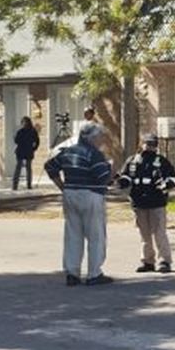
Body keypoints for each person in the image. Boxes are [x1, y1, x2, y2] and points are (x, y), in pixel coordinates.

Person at [44, 121, 114, 286]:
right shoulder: (94, 154)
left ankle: (72, 273)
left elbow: (50, 167)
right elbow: (102, 177)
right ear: (92, 138)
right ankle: (94, 273)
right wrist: (112, 169)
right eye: (99, 137)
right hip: (90, 194)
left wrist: (62, 186)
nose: (101, 140)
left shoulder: (68, 151)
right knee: (95, 235)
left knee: (73, 234)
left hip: (70, 193)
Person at [117, 132, 175, 273]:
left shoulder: (161, 161)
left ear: (156, 146)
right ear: (141, 144)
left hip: (157, 203)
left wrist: (166, 184)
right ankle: (148, 262)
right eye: (148, 143)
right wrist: (123, 182)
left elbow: (172, 178)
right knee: (144, 235)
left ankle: (164, 261)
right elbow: (125, 175)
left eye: (153, 144)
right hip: (139, 203)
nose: (150, 146)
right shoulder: (133, 161)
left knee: (159, 233)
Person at [12, 116, 40, 190]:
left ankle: (28, 184)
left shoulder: (29, 131)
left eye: (25, 122)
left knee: (27, 168)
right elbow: (16, 141)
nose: (24, 124)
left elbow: (37, 141)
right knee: (19, 168)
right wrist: (34, 148)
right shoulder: (23, 131)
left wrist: (34, 148)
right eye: (23, 122)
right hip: (22, 151)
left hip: (27, 151)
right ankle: (15, 185)